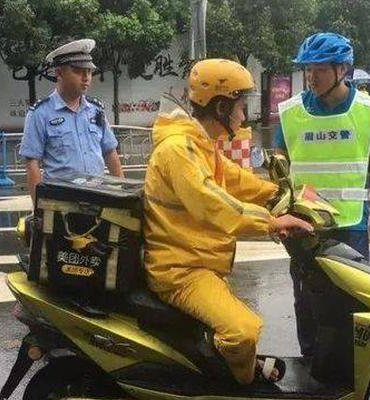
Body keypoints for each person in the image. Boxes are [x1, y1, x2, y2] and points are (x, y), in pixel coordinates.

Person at [143, 58, 314, 385]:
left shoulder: (199, 143)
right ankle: (240, 384)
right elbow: (211, 203)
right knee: (242, 332)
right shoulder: (178, 149)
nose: (243, 115)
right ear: (221, 107)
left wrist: (279, 194)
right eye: (240, 106)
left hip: (199, 262)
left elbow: (233, 180)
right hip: (180, 271)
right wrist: (270, 222)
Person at [274, 32, 370, 356]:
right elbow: (279, 167)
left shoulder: (368, 110)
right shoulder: (290, 112)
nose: (312, 77)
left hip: (351, 225)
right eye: (308, 69)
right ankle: (312, 362)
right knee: (306, 300)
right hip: (304, 225)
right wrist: (278, 214)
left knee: (352, 300)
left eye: (320, 70)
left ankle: (350, 366)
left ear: (342, 69)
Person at [19, 39, 124, 203]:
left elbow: (110, 153)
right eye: (78, 71)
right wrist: (39, 208)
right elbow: (32, 163)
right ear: (59, 73)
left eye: (89, 71)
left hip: (97, 199)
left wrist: (123, 197)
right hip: (62, 203)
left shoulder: (96, 110)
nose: (86, 77)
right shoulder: (40, 113)